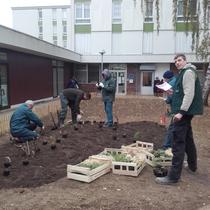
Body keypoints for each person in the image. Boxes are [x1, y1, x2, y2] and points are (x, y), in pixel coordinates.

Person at [156, 54, 203, 185]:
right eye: (175, 61)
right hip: (186, 113)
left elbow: (189, 93)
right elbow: (183, 92)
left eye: (179, 60)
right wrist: (172, 92)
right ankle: (193, 166)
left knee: (178, 143)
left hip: (183, 113)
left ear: (185, 61)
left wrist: (181, 112)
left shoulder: (187, 72)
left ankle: (173, 177)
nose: (177, 63)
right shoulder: (184, 73)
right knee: (188, 139)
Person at [162, 70, 176, 149]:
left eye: (164, 79)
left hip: (176, 108)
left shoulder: (170, 84)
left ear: (167, 78)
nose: (164, 80)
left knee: (171, 128)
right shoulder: (176, 80)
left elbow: (169, 98)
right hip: (180, 109)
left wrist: (166, 100)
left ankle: (167, 146)